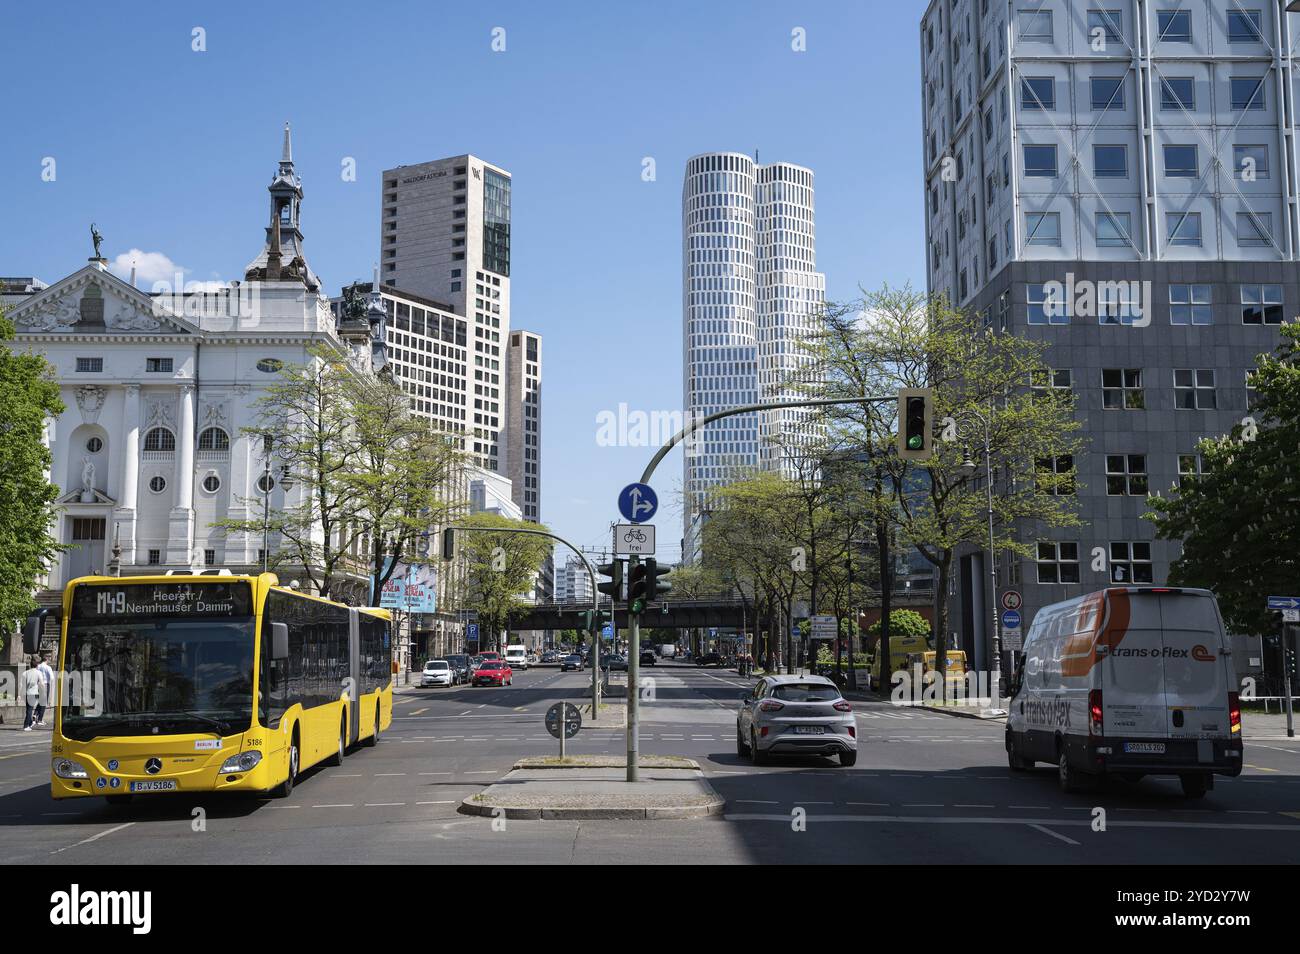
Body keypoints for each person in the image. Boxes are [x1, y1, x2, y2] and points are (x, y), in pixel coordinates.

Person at [22, 658, 43, 731]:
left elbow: (22, 685)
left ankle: (30, 723)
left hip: (26, 693)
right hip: (34, 693)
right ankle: (26, 725)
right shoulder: (38, 673)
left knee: (28, 709)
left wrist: (19, 695)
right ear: (37, 665)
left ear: (30, 665)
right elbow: (41, 683)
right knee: (30, 710)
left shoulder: (25, 673)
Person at [36, 655, 54, 726]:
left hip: (39, 684)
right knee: (44, 703)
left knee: (40, 700)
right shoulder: (48, 667)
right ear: (46, 660)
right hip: (46, 684)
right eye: (49, 660)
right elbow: (52, 677)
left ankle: (35, 714)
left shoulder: (38, 666)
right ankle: (40, 719)